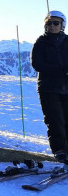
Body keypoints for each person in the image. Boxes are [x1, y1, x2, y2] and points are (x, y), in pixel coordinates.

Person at [30, 10, 68, 165]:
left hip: (66, 86)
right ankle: (60, 151)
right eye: (49, 23)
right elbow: (37, 64)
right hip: (48, 87)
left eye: (55, 23)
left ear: (62, 25)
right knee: (55, 120)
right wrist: (60, 70)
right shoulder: (40, 43)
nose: (52, 26)